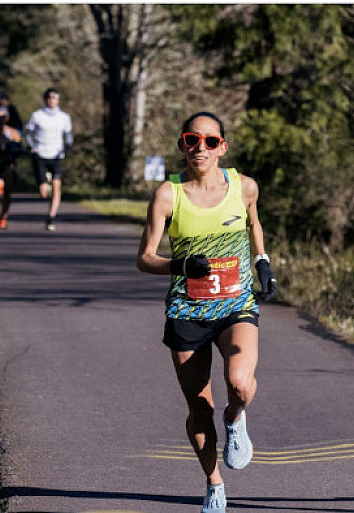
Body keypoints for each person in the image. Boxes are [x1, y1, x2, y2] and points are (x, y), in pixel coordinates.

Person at [137, 112, 277, 513]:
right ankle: (214, 484)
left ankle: (236, 417)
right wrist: (179, 265)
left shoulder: (244, 187)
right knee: (199, 407)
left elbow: (254, 224)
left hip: (235, 303)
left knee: (240, 383)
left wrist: (262, 262)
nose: (201, 148)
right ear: (182, 144)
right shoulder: (168, 195)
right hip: (188, 309)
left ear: (222, 147)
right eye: (192, 140)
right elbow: (144, 258)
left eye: (210, 141)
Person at [24, 88, 73, 232]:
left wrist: (68, 146)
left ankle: (51, 217)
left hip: (56, 155)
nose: (52, 100)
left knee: (57, 187)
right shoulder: (37, 115)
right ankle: (46, 182)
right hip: (41, 154)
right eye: (50, 98)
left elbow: (68, 134)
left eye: (55, 98)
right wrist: (31, 146)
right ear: (45, 99)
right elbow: (28, 133)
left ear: (58, 100)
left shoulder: (64, 117)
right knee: (44, 192)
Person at [0, 106, 23, 229]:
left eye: (3, 117)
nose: (1, 120)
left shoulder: (12, 133)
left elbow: (19, 148)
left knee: (8, 192)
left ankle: (3, 216)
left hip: (7, 164)